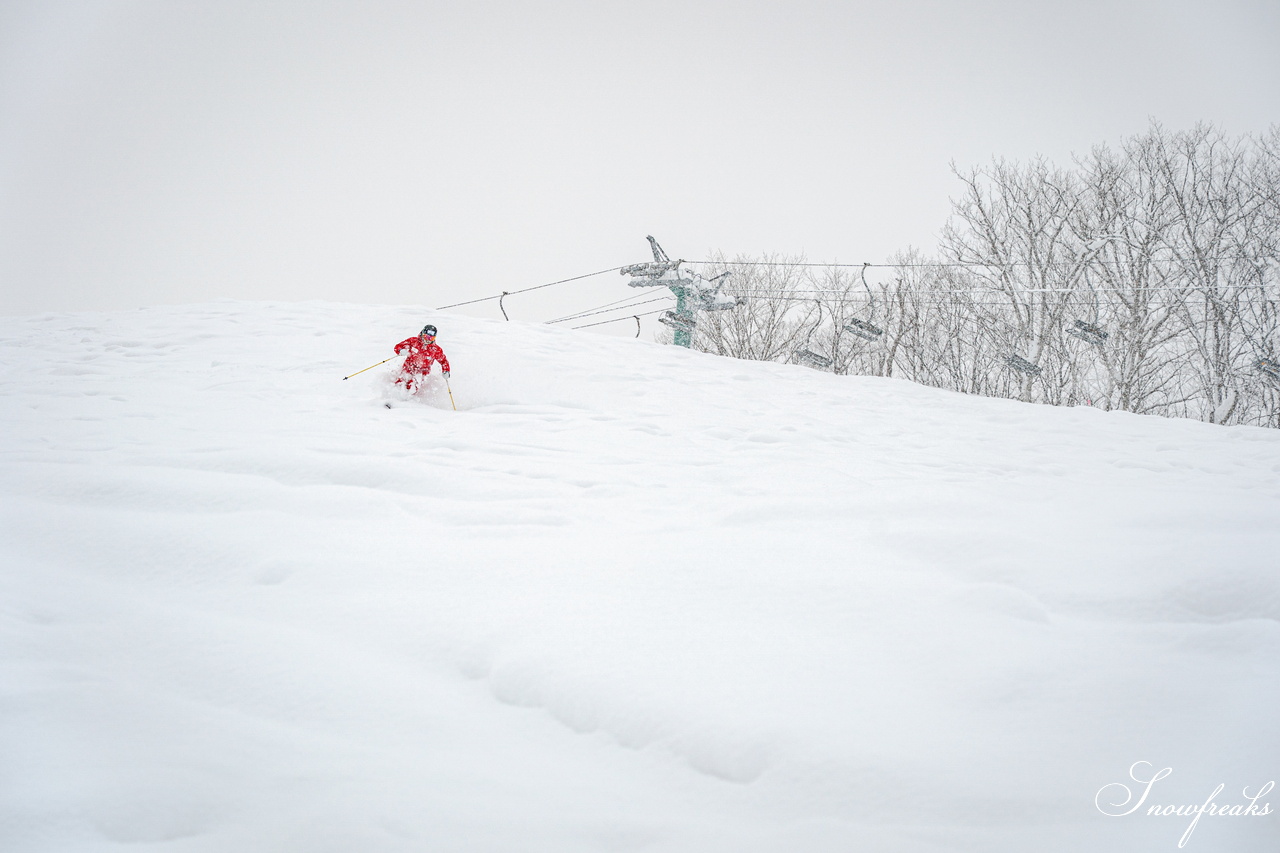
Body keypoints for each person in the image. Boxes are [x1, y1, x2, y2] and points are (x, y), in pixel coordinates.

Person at [393, 324, 450, 392]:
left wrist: (446, 371)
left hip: (423, 371)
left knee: (414, 387)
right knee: (401, 382)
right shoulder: (413, 341)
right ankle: (394, 396)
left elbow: (443, 361)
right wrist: (400, 350)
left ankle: (412, 401)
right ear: (423, 334)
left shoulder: (435, 349)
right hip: (409, 367)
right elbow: (398, 346)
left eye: (431, 338)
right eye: (427, 337)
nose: (428, 340)